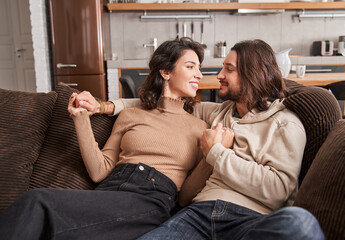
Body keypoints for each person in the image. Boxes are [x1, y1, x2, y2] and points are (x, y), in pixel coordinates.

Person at [76, 39, 324, 239]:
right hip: (197, 216)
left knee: (300, 223)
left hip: (251, 218)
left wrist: (217, 153)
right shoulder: (217, 112)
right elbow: (162, 102)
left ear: (252, 75)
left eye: (228, 69)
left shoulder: (285, 124)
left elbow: (279, 191)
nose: (217, 75)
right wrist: (105, 106)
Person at [0, 37, 235, 240]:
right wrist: (81, 119)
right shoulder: (131, 114)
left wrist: (210, 156)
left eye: (199, 68)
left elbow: (184, 197)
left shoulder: (200, 128)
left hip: (151, 199)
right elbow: (99, 171)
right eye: (191, 66)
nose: (199, 74)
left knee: (37, 202)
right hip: (109, 191)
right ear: (165, 71)